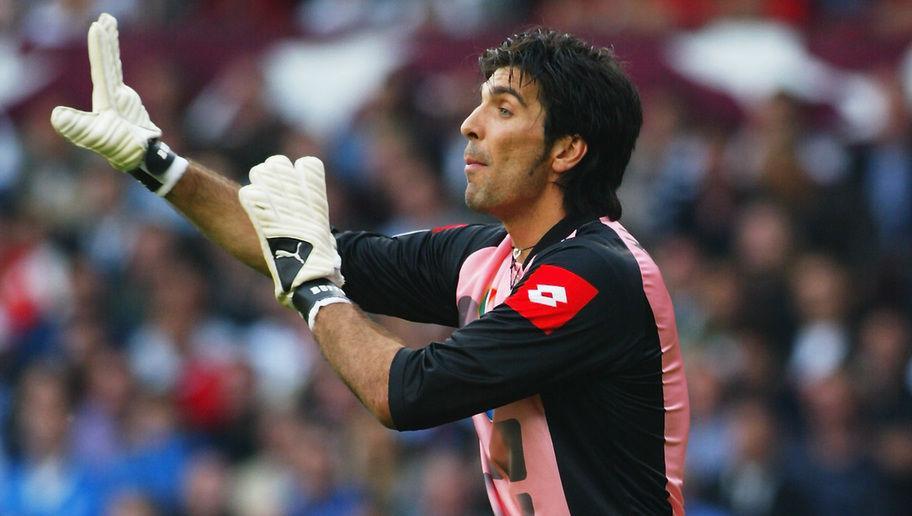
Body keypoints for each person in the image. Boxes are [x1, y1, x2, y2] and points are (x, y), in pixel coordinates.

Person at [51, 13, 689, 515]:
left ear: (568, 149)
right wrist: (158, 165)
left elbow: (404, 391)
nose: (469, 125)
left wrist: (315, 292)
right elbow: (298, 244)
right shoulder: (487, 259)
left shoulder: (593, 273)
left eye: (503, 110)